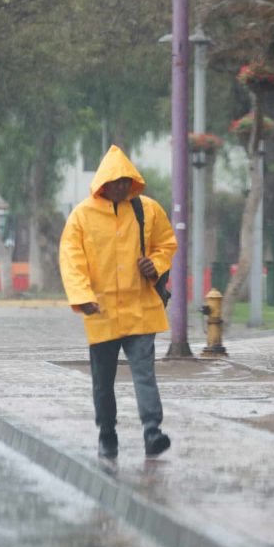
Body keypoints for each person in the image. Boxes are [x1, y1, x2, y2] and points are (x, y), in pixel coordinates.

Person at [59, 145, 178, 464]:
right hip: (102, 313)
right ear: (103, 183)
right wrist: (82, 297)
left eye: (128, 181)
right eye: (117, 181)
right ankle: (107, 434)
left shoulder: (148, 209)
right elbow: (72, 261)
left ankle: (152, 431)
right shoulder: (82, 216)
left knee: (144, 374)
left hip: (141, 309)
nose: (123, 187)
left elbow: (166, 243)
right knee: (103, 381)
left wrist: (155, 263)